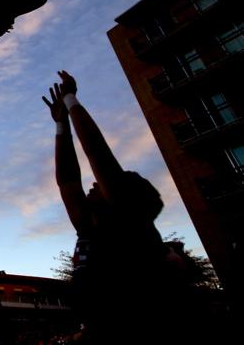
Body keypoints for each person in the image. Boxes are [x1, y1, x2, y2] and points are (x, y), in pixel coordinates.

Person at [43, 71, 180, 343]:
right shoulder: (90, 227)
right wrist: (61, 125)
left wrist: (70, 98)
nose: (94, 185)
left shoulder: (129, 222)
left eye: (102, 185)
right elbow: (68, 180)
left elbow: (97, 152)